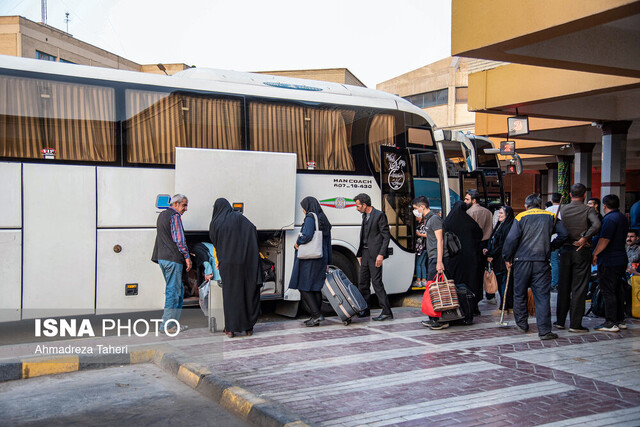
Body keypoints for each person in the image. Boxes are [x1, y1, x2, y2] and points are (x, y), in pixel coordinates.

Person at [503, 193, 568, 340]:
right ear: (539, 204)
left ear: (526, 206)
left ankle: (521, 324)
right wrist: (551, 246)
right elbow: (564, 234)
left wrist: (507, 257)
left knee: (519, 293)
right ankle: (544, 331)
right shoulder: (550, 216)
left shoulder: (520, 217)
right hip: (541, 261)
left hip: (521, 260)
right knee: (542, 296)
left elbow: (511, 240)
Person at [209, 198, 262, 338]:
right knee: (246, 292)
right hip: (245, 263)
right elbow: (253, 229)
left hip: (227, 265)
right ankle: (248, 327)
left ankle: (231, 329)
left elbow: (214, 242)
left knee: (230, 295)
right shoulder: (239, 218)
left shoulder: (215, 222)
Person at [553, 183, 601, 333]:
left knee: (564, 286)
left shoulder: (563, 209)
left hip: (565, 250)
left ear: (571, 195)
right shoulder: (588, 210)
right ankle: (575, 324)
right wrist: (585, 237)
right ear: (584, 195)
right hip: (581, 250)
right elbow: (597, 224)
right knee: (579, 288)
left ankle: (560, 321)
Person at [289, 197, 332, 327]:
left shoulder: (310, 217)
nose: (302, 210)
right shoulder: (324, 219)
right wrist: (328, 262)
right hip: (321, 257)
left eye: (303, 207)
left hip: (310, 259)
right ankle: (315, 316)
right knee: (315, 287)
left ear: (308, 206)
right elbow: (328, 243)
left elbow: (307, 235)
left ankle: (317, 314)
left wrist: (297, 242)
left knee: (303, 286)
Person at [151, 194, 192, 334]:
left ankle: (172, 324)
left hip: (162, 258)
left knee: (177, 291)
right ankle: (167, 326)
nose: (186, 209)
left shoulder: (162, 215)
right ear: (175, 204)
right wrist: (187, 256)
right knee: (173, 292)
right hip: (173, 258)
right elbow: (179, 240)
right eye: (184, 205)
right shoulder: (174, 217)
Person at [592, 194, 629, 332]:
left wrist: (595, 253)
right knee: (618, 289)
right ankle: (620, 319)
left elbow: (604, 239)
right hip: (621, 257)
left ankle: (610, 321)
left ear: (604, 206)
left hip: (609, 260)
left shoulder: (609, 220)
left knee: (608, 290)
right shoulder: (622, 218)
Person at [412, 197, 450, 330]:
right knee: (432, 288)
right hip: (433, 256)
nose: (414, 211)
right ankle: (433, 317)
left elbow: (440, 240)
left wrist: (439, 262)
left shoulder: (434, 219)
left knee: (436, 288)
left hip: (438, 258)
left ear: (422, 207)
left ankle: (440, 319)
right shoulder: (428, 219)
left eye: (415, 209)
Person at [354, 193, 393, 321]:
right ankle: (365, 310)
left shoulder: (379, 215)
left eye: (358, 205)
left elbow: (386, 236)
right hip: (364, 254)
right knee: (363, 283)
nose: (357, 208)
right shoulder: (364, 215)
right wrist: (360, 254)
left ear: (365, 205)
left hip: (376, 254)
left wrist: (381, 254)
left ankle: (387, 311)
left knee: (376, 283)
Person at [445, 200, 483, 314]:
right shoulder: (470, 222)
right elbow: (479, 235)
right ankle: (472, 307)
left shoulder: (448, 222)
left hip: (454, 258)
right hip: (470, 258)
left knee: (455, 282)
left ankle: (456, 307)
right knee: (471, 281)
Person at [464, 189, 495, 304]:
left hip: (474, 244)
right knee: (484, 270)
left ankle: (475, 296)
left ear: (474, 200)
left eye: (467, 199)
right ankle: (488, 294)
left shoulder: (470, 213)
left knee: (474, 273)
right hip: (486, 244)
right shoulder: (488, 212)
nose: (465, 201)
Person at [484, 206, 515, 312]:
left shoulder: (508, 227)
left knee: (504, 283)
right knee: (501, 281)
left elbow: (503, 245)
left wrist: (491, 253)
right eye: (499, 213)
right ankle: (504, 304)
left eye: (502, 213)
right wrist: (488, 251)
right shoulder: (499, 226)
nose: (499, 215)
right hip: (497, 259)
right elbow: (493, 240)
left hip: (503, 260)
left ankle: (505, 305)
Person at [546, 193, 562, 292]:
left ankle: (554, 283)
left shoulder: (548, 210)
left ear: (551, 200)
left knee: (554, 261)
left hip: (552, 239)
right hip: (563, 238)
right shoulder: (564, 210)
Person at [413, 200, 429, 288]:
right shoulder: (425, 223)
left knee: (418, 263)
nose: (415, 218)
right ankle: (424, 280)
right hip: (425, 247)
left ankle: (418, 280)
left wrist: (419, 234)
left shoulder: (421, 225)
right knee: (422, 264)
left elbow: (427, 234)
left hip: (421, 247)